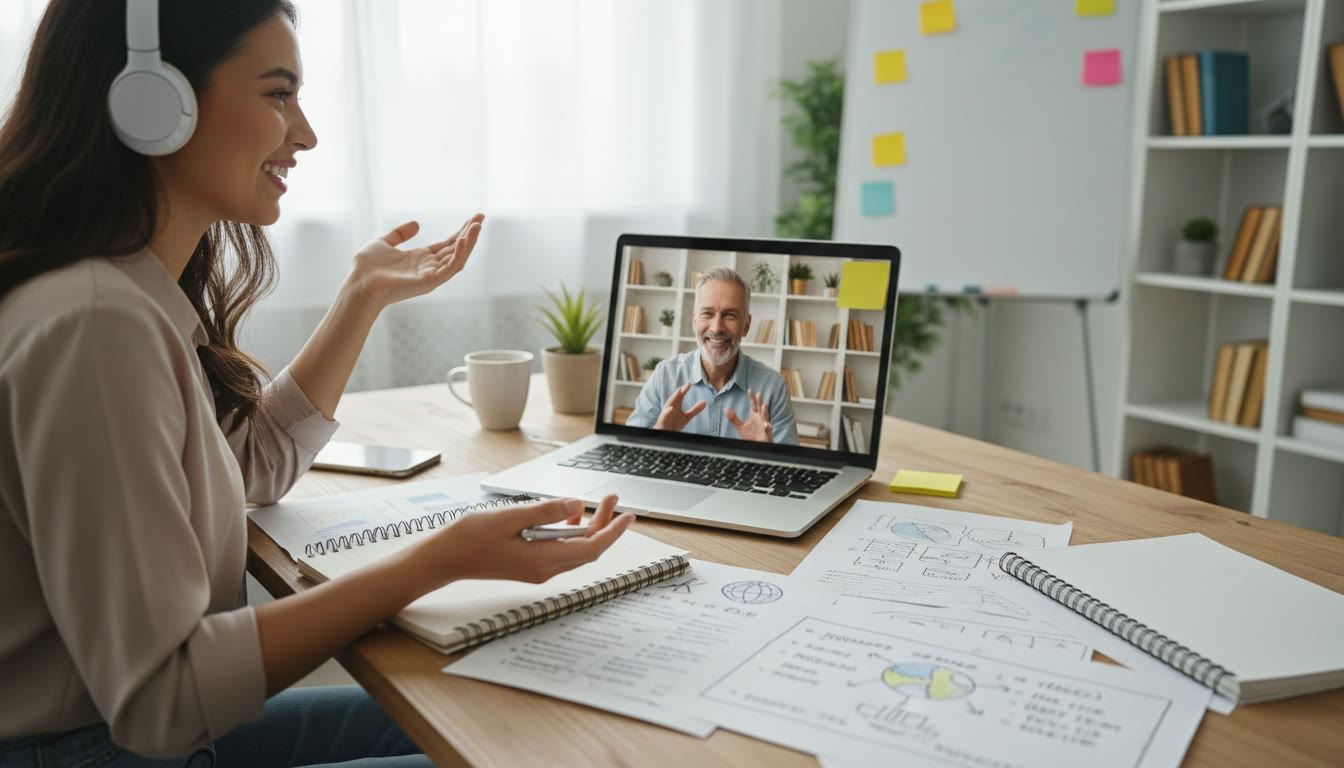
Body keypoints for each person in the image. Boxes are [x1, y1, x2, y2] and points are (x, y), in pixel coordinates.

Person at [0, 2, 632, 766]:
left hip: (118, 736)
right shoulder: (96, 326)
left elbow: (249, 470)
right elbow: (161, 701)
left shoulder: (127, 298)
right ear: (153, 101)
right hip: (98, 749)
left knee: (514, 715)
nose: (305, 133)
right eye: (277, 93)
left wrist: (361, 296)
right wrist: (436, 561)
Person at [625, 267, 799, 445]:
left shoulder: (773, 387)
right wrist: (658, 435)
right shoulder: (665, 376)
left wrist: (768, 452)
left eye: (730, 315)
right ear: (694, 321)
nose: (716, 328)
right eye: (707, 313)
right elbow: (628, 454)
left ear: (746, 325)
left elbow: (793, 468)